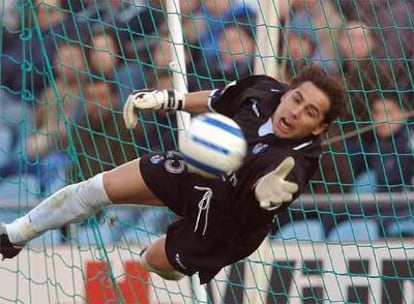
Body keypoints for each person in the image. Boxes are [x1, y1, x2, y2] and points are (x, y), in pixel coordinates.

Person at [0, 65, 347, 284]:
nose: (296, 111)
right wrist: (168, 99)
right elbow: (215, 100)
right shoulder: (262, 91)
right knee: (95, 188)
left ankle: (181, 266)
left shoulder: (299, 162)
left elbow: (267, 199)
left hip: (224, 225)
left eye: (310, 112)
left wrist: (263, 196)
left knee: (151, 261)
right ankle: (13, 235)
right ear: (287, 91)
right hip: (196, 172)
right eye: (297, 98)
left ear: (321, 126)